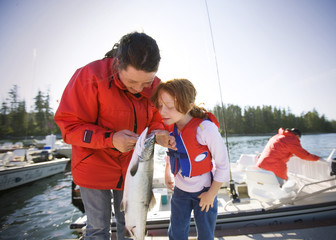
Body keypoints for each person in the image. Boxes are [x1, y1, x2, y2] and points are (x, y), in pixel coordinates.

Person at [54, 32, 176, 240]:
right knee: (98, 230)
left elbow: (158, 118)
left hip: (132, 168)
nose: (139, 89)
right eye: (131, 82)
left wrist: (159, 133)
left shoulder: (156, 86)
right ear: (117, 63)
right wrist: (110, 139)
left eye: (146, 83)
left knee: (130, 227)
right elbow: (69, 126)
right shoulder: (89, 77)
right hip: (92, 165)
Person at [151, 78, 230, 240]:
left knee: (206, 234)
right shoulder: (169, 127)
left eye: (170, 106)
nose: (162, 112)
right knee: (177, 233)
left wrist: (211, 194)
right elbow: (172, 153)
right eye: (160, 106)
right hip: (180, 191)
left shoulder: (206, 129)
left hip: (205, 191)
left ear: (188, 105)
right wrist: (167, 173)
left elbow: (223, 166)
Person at [256, 127, 321, 185]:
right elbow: (303, 155)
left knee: (267, 185)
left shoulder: (277, 136)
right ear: (297, 136)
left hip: (261, 165)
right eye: (299, 138)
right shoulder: (291, 139)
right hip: (273, 168)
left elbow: (278, 150)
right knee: (283, 185)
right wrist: (317, 157)